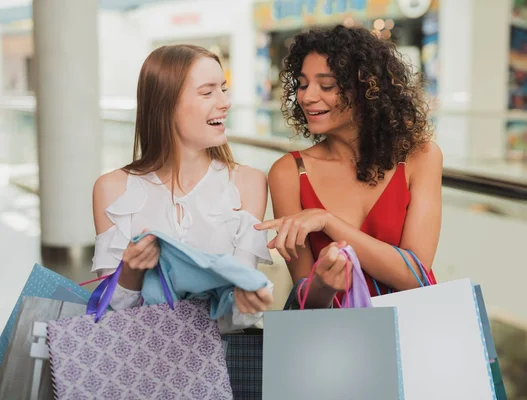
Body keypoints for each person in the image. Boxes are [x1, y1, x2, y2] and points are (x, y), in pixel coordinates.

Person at [255, 25, 442, 309]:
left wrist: (327, 222)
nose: (306, 97)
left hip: (412, 337)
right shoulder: (289, 172)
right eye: (303, 84)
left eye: (327, 85)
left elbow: (416, 276)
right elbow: (306, 301)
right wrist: (321, 286)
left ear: (368, 90)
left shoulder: (421, 157)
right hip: (336, 343)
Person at [92, 44, 273, 331]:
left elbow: (241, 314)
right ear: (166, 103)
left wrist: (250, 298)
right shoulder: (112, 189)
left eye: (223, 89)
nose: (225, 102)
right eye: (207, 92)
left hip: (223, 363)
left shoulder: (248, 182)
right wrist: (131, 271)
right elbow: (110, 317)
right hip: (139, 363)